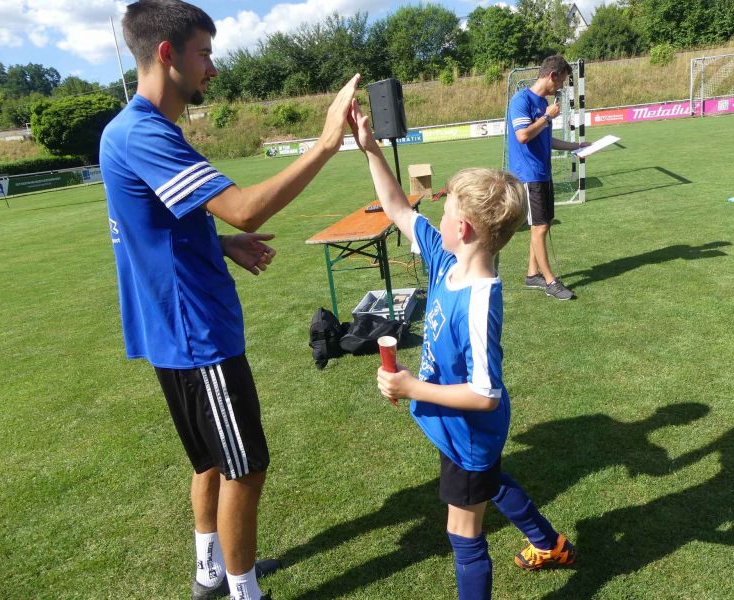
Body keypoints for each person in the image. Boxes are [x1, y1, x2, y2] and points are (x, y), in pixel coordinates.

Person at [99, 2, 359, 599]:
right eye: (204, 54)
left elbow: (150, 228)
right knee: (246, 467)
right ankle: (244, 591)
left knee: (212, 462)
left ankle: (210, 573)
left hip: (176, 333)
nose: (212, 69)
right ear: (167, 54)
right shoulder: (145, 132)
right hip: (198, 336)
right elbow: (243, 206)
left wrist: (218, 244)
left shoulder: (129, 130)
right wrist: (326, 143)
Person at [348, 101, 576, 600]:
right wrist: (370, 150)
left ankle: (545, 547)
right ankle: (550, 543)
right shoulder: (444, 259)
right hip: (458, 429)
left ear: (464, 229)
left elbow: (484, 395)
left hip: (469, 432)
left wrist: (412, 386)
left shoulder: (478, 301)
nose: (438, 215)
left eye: (446, 209)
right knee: (492, 482)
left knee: (463, 535)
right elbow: (399, 210)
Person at [507, 54, 590, 300]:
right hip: (528, 175)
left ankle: (532, 274)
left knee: (543, 224)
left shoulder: (543, 103)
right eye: (561, 81)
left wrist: (576, 146)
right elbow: (523, 135)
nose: (561, 87)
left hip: (543, 173)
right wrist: (547, 117)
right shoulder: (521, 100)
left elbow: (546, 138)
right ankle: (550, 282)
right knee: (540, 226)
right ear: (552, 76)